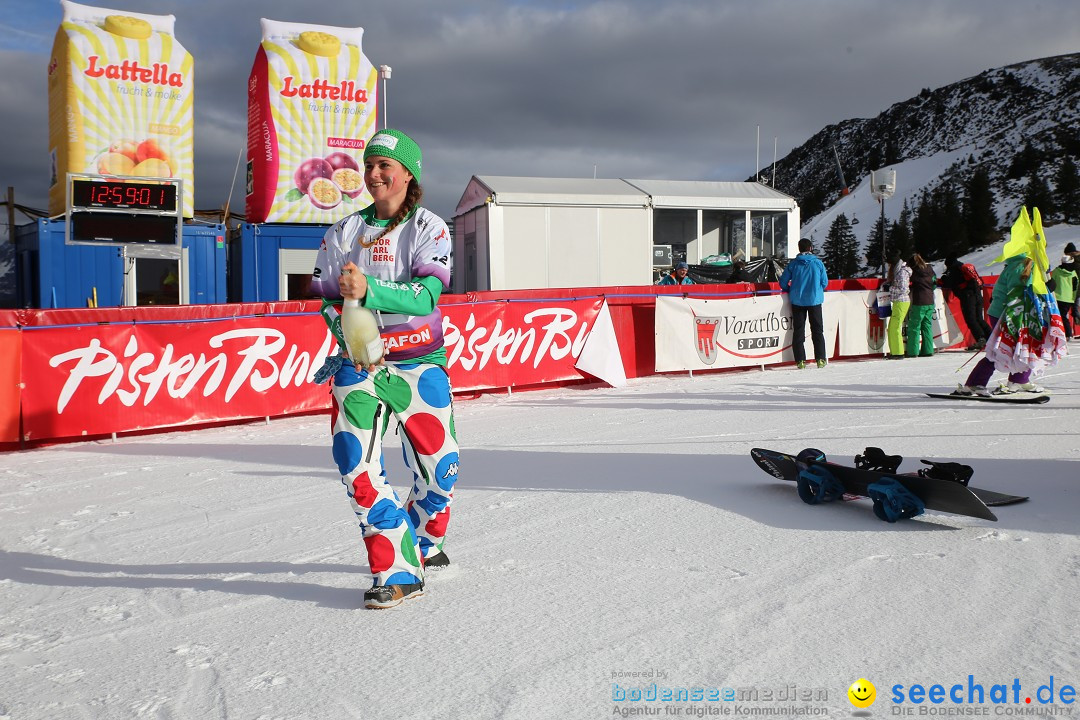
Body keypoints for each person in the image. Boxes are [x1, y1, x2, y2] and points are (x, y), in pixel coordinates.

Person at [310, 129, 459, 610]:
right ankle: (395, 569)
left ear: (408, 174)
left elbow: (428, 294)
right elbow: (325, 301)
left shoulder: (431, 228)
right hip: (359, 366)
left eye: (383, 166)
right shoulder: (342, 234)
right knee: (356, 468)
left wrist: (367, 290)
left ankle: (422, 538)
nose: (373, 174)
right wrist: (355, 337)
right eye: (368, 165)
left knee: (442, 472)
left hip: (421, 363)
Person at [958, 253, 1051, 396]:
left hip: (1020, 312)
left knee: (1027, 345)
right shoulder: (1019, 266)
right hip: (1006, 313)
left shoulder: (1029, 264)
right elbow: (1016, 293)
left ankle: (1019, 379)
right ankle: (974, 383)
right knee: (1001, 350)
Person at [779, 238, 829, 369]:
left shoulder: (794, 264)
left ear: (799, 248)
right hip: (814, 300)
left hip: (797, 301)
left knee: (799, 330)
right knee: (817, 330)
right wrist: (817, 290)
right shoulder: (818, 263)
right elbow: (825, 282)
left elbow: (783, 282)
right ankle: (820, 359)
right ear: (810, 248)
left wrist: (790, 290)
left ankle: (800, 361)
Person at [940, 255, 991, 350]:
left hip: (968, 296)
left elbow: (948, 283)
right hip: (978, 294)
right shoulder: (963, 267)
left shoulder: (954, 270)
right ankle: (991, 338)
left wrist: (943, 279)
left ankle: (981, 339)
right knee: (979, 318)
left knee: (971, 319)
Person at [905, 253, 937, 357]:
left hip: (919, 301)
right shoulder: (930, 269)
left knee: (914, 326)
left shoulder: (914, 272)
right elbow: (934, 284)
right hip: (930, 301)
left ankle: (913, 351)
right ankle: (928, 350)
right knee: (927, 326)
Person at [885, 254, 911, 359]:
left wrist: (890, 289)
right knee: (892, 327)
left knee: (894, 327)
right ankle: (895, 351)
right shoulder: (899, 271)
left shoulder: (901, 273)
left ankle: (898, 352)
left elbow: (903, 288)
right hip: (898, 302)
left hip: (901, 301)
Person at [1050, 254, 1078, 339]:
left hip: (1057, 297)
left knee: (1057, 316)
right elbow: (1075, 287)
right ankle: (1067, 333)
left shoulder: (1056, 271)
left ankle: (1062, 333)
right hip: (1069, 299)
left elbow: (1052, 283)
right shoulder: (1073, 273)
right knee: (1064, 316)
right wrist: (1073, 298)